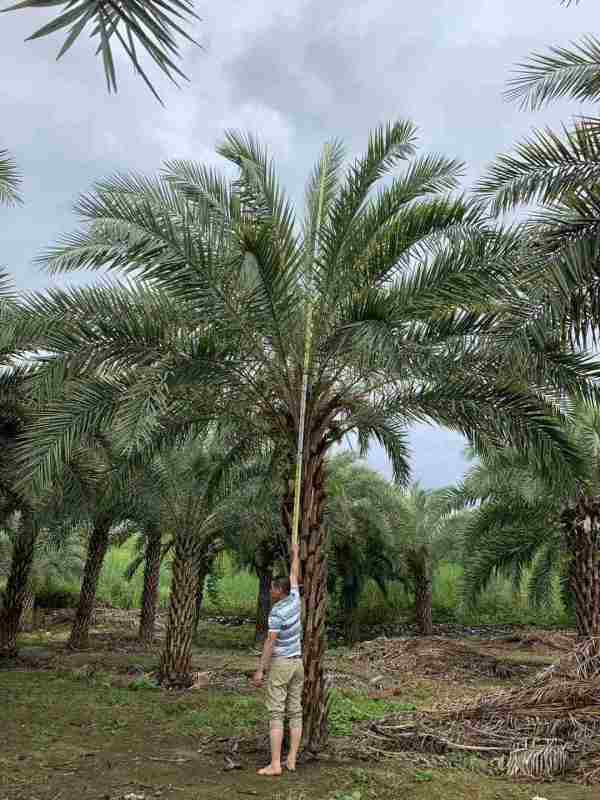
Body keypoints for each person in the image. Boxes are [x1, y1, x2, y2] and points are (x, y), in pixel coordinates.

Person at [253, 541, 303, 776]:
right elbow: (294, 575)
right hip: (298, 664)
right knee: (295, 711)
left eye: (273, 588)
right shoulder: (295, 599)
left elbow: (270, 642)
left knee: (276, 712)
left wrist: (261, 670)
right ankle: (291, 758)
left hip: (282, 664)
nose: (270, 590)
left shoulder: (276, 613)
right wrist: (295, 554)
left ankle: (275, 764)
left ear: (278, 591)